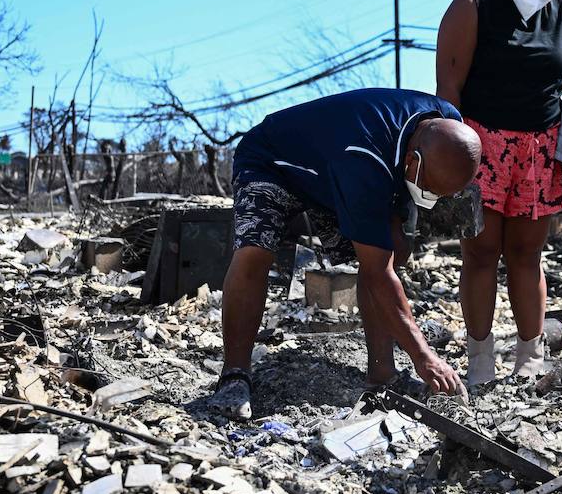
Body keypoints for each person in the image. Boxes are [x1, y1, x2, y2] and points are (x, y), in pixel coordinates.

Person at [205, 88, 482, 420]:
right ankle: (235, 375)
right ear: (414, 161)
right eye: (431, 189)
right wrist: (426, 358)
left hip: (338, 165)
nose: (433, 197)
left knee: (392, 250)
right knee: (255, 252)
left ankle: (383, 374)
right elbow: (378, 273)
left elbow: (383, 259)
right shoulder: (364, 159)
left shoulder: (448, 123)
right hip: (272, 160)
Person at [435, 0, 562, 386]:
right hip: (480, 145)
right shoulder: (472, 6)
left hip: (540, 150)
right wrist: (451, 160)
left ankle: (529, 355)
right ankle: (480, 357)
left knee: (527, 254)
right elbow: (448, 88)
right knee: (481, 253)